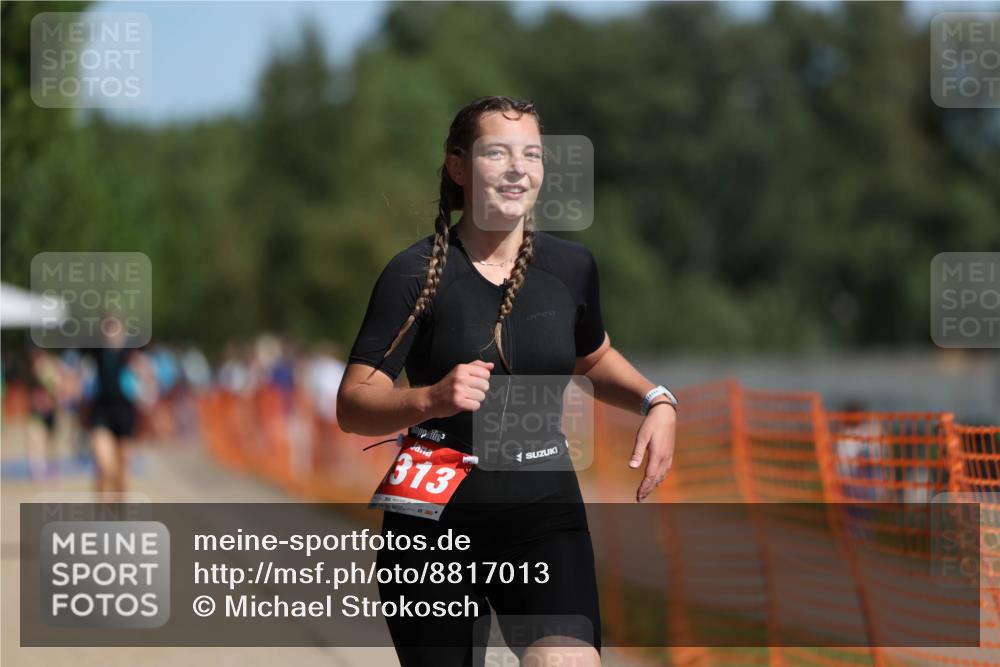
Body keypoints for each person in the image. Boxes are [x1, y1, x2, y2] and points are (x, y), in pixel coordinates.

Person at [337, 96, 678, 667]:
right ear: (458, 166)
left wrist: (656, 400)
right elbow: (353, 403)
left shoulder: (571, 268)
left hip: (543, 515)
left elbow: (592, 359)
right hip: (432, 527)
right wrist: (430, 398)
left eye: (532, 154)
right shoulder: (414, 274)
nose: (519, 167)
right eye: (497, 152)